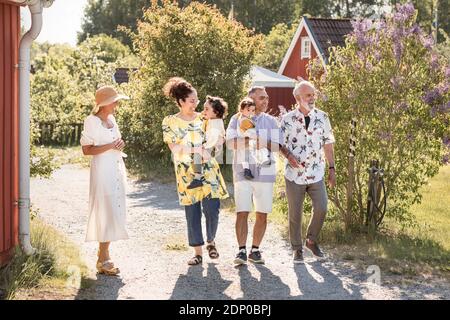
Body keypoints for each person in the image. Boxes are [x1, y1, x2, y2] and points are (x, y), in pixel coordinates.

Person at [162, 77, 229, 266]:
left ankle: (211, 241)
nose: (196, 104)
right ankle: (197, 252)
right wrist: (196, 149)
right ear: (181, 101)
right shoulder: (170, 122)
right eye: (192, 100)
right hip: (185, 172)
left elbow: (217, 138)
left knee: (213, 209)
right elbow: (174, 148)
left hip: (208, 169)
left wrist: (218, 142)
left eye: (197, 100)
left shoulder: (204, 118)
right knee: (192, 212)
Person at [280, 80, 336, 264]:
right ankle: (297, 249)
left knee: (322, 207)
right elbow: (279, 144)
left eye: (313, 94)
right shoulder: (287, 119)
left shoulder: (323, 117)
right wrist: (289, 156)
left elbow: (328, 143)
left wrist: (332, 168)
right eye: (308, 95)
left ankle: (311, 241)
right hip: (294, 174)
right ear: (297, 98)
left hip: (316, 172)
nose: (312, 98)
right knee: (295, 213)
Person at [226, 86, 281, 265]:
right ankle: (241, 250)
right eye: (261, 98)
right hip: (243, 171)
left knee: (262, 213)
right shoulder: (236, 119)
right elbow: (230, 144)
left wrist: (262, 142)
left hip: (265, 171)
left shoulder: (272, 121)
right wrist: (251, 140)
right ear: (250, 99)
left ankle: (255, 250)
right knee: (242, 211)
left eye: (266, 98)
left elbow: (277, 146)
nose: (265, 101)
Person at [80, 85, 130, 276]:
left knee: (115, 209)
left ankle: (103, 257)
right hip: (102, 170)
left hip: (116, 167)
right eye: (115, 101)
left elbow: (116, 142)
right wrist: (110, 145)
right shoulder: (91, 121)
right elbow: (86, 150)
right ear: (106, 103)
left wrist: (119, 144)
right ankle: (104, 257)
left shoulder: (112, 119)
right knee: (106, 210)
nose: (117, 104)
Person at [187, 95, 228, 189]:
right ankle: (200, 177)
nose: (204, 111)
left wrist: (204, 146)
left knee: (198, 155)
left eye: (206, 109)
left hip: (211, 147)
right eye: (204, 108)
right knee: (198, 157)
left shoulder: (215, 124)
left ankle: (198, 178)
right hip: (211, 146)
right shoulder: (213, 119)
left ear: (216, 112)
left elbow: (213, 139)